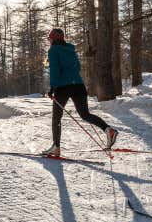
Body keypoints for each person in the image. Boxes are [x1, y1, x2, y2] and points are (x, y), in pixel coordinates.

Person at [41, 28, 118, 157]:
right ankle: (108, 130)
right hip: (78, 85)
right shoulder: (71, 49)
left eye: (50, 39)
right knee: (85, 114)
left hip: (63, 87)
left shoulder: (53, 50)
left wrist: (52, 88)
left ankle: (56, 147)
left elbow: (54, 70)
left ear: (54, 39)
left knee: (56, 118)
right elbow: (77, 67)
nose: (50, 41)